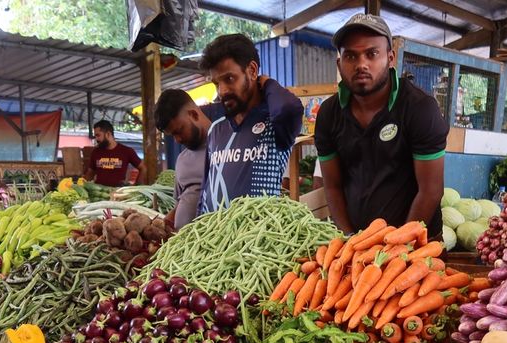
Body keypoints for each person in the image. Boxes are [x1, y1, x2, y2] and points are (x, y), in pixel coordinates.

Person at [315, 13, 447, 235]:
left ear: (390, 57)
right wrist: (349, 240)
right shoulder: (328, 115)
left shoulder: (420, 108)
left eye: (372, 54)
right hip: (360, 250)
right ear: (339, 64)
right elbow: (332, 186)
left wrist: (399, 247)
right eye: (351, 56)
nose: (361, 64)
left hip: (418, 246)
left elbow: (431, 191)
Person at [198, 34, 304, 214]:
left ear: (252, 71)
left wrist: (267, 82)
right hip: (215, 239)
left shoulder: (276, 124)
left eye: (230, 79)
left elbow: (289, 107)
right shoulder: (216, 130)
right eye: (217, 83)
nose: (222, 91)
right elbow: (206, 189)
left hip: (258, 238)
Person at [154, 89, 217, 229]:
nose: (177, 140)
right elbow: (181, 203)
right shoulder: (182, 160)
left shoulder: (228, 148)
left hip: (216, 244)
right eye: (172, 135)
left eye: (179, 131)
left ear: (194, 114)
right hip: (184, 245)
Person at [86, 120, 142, 186]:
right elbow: (90, 173)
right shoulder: (95, 152)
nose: (96, 139)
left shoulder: (127, 151)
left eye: (98, 135)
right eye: (95, 136)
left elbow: (143, 168)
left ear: (108, 134)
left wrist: (136, 187)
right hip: (100, 193)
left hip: (118, 194)